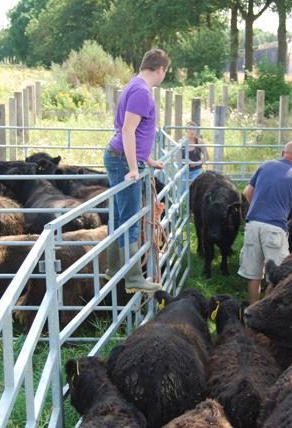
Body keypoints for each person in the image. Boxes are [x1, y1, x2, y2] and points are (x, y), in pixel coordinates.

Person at [104, 48, 169, 293]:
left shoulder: (134, 84)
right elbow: (128, 130)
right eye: (165, 72)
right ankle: (133, 278)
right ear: (161, 69)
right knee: (130, 219)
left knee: (121, 216)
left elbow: (137, 131)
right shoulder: (142, 91)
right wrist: (133, 167)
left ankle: (113, 267)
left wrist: (147, 159)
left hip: (121, 156)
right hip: (123, 160)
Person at [238, 141, 292, 304]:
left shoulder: (265, 165)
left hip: (253, 224)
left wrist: (258, 207)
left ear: (283, 153)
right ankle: (268, 311)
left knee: (254, 275)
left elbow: (247, 192)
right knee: (278, 275)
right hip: (275, 229)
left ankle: (252, 309)